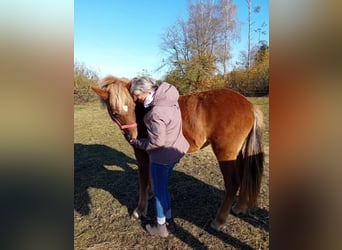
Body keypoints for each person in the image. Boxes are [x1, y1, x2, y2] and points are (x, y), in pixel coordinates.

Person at [129, 76, 189, 238]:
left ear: (147, 91)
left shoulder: (156, 112)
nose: (136, 99)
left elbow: (158, 143)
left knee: (159, 190)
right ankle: (168, 217)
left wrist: (138, 143)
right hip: (176, 149)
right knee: (163, 188)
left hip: (162, 157)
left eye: (136, 95)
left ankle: (161, 227)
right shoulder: (169, 99)